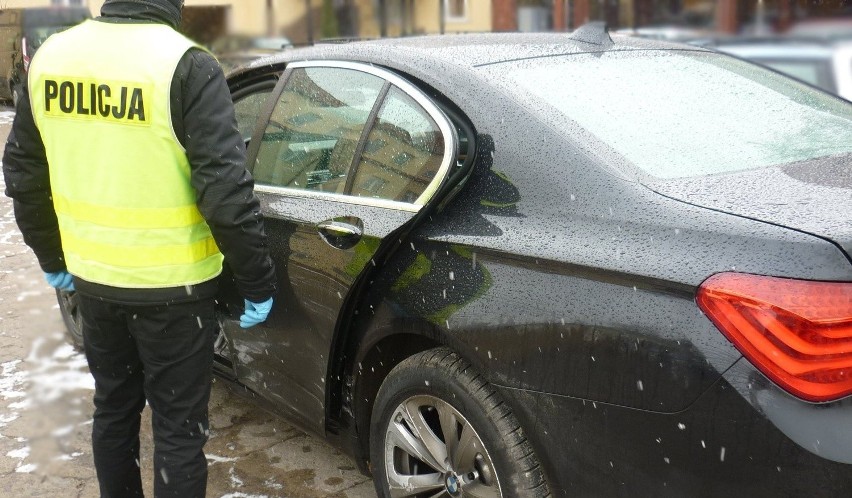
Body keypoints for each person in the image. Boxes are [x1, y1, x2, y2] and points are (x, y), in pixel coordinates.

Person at [2, 0, 276, 496]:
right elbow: (225, 194)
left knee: (113, 411)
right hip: (177, 291)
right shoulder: (185, 64)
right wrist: (255, 280)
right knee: (177, 431)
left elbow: (23, 174)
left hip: (94, 282)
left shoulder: (52, 58)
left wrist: (53, 258)